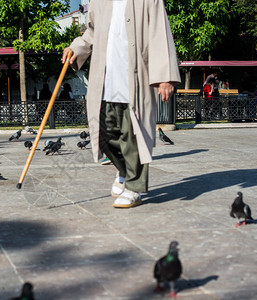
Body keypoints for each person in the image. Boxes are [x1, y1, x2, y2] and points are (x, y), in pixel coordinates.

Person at [62, 0, 181, 208]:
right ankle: (124, 170)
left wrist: (165, 77)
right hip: (106, 80)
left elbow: (159, 34)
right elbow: (91, 32)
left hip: (135, 81)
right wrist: (76, 49)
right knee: (103, 132)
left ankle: (134, 187)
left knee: (133, 135)